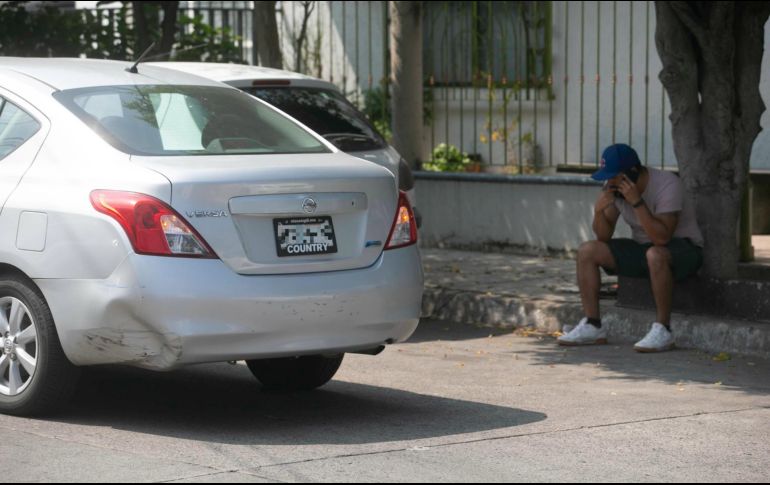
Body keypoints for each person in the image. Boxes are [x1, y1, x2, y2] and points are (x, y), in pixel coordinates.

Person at [558, 144, 704, 352]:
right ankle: (592, 325)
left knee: (655, 254)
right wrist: (598, 211)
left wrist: (637, 202)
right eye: (607, 177)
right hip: (643, 249)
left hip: (684, 248)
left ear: (633, 173)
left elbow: (661, 238)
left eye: (614, 177)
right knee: (587, 250)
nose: (610, 183)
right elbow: (603, 236)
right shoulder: (613, 189)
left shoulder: (667, 184)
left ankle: (663, 330)